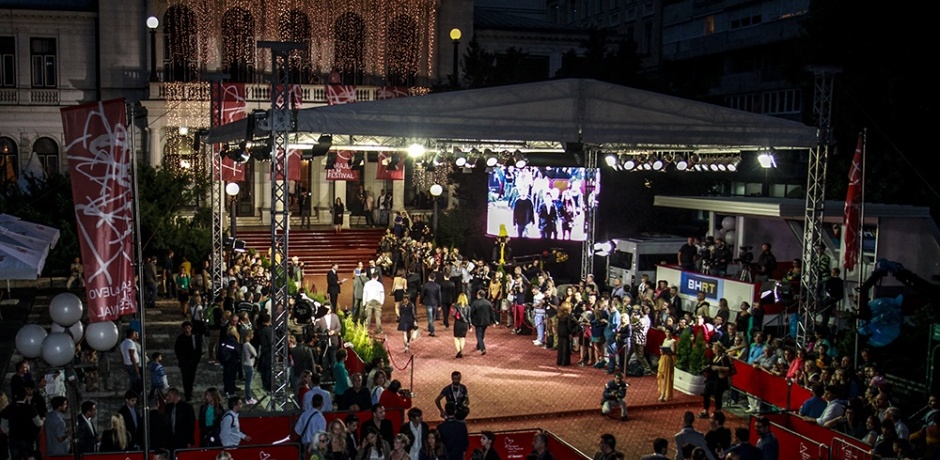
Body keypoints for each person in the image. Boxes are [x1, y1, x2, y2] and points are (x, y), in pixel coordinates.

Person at [1, 388, 43, 460]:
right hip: (27, 438)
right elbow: (38, 423)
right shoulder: (30, 408)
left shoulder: (9, 408)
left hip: (13, 438)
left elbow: (3, 426)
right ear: (25, 397)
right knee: (29, 457)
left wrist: (9, 432)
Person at [701, 342, 733, 419]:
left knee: (717, 396)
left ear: (718, 349)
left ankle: (717, 413)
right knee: (706, 393)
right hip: (711, 378)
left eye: (714, 348)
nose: (712, 349)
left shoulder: (724, 358)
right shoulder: (714, 356)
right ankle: (705, 411)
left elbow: (729, 368)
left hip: (719, 380)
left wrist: (718, 368)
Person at [174, 320, 202, 402]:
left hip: (193, 362)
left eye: (188, 328)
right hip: (184, 362)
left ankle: (190, 391)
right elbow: (177, 349)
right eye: (185, 328)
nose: (187, 329)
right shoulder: (181, 338)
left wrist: (197, 359)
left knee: (191, 377)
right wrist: (180, 359)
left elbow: (199, 349)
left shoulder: (195, 337)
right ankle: (187, 394)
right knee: (185, 378)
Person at [469, 289, 494, 355]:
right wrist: (493, 321)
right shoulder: (488, 303)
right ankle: (478, 345)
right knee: (482, 333)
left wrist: (470, 321)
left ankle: (482, 348)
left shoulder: (475, 303)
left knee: (479, 335)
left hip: (478, 321)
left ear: (478, 295)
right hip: (486, 321)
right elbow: (492, 313)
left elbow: (471, 313)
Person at [119, 328, 142, 393]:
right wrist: (136, 367)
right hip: (132, 364)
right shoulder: (130, 343)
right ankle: (133, 392)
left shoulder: (123, 343)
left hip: (127, 363)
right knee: (135, 380)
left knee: (133, 379)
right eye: (135, 334)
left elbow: (122, 355)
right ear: (132, 334)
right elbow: (132, 356)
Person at [420, 272, 442, 337]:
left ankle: (432, 331)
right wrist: (439, 305)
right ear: (434, 278)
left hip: (428, 303)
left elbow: (422, 295)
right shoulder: (438, 286)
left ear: (428, 277)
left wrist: (421, 302)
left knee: (430, 318)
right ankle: (430, 327)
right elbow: (439, 296)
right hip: (435, 303)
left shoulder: (425, 285)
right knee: (432, 316)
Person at [658, 328, 677, 402]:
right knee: (661, 376)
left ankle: (666, 394)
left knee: (667, 377)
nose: (667, 333)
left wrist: (666, 352)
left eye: (669, 332)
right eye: (666, 332)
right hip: (663, 358)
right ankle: (662, 393)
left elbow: (673, 352)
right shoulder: (665, 340)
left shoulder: (673, 341)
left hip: (668, 360)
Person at [452, 293, 471, 358]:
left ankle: (458, 351)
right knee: (462, 338)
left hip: (458, 323)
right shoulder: (468, 307)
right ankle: (461, 350)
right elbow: (469, 317)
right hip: (464, 324)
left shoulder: (456, 306)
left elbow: (453, 314)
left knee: (456, 337)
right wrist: (470, 326)